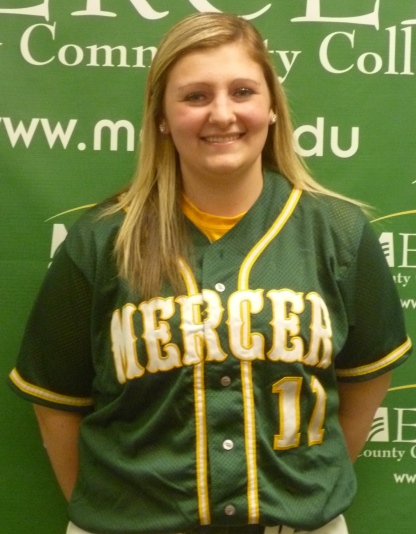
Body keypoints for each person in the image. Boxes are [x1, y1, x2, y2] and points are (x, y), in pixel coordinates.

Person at [8, 12, 411, 534]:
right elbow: (57, 402)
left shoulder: (338, 232)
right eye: (195, 96)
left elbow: (365, 382)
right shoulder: (102, 240)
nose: (222, 114)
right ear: (161, 116)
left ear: (272, 107)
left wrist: (304, 496)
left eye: (242, 91)